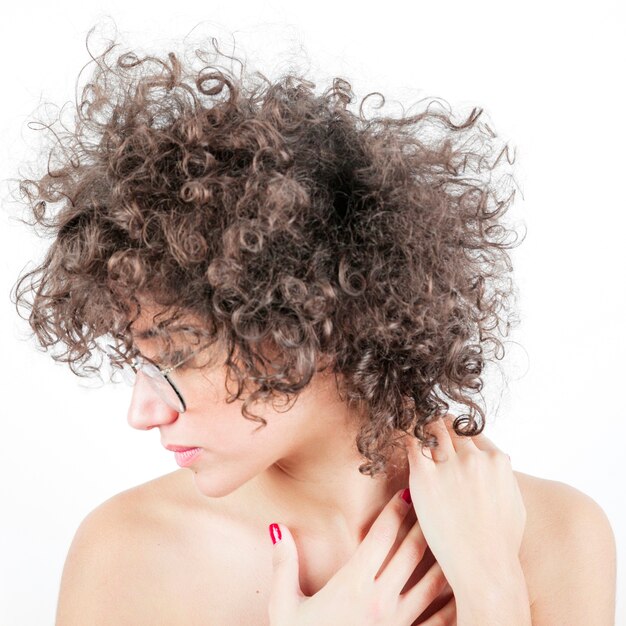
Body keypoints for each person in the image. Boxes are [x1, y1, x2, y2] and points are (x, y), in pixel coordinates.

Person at [11, 32, 616, 625]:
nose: (143, 413)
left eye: (176, 356)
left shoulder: (559, 535)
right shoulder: (128, 555)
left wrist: (493, 591)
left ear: (313, 321)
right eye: (140, 361)